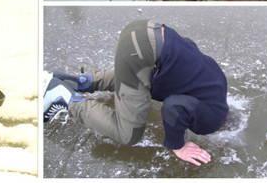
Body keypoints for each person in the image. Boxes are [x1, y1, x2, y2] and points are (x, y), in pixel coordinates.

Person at [43, 19, 228, 166]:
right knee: (128, 134)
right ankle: (64, 97)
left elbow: (189, 45)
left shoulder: (218, 84)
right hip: (139, 53)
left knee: (141, 78)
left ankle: (82, 82)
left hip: (146, 30)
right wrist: (177, 145)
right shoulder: (211, 120)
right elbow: (173, 108)